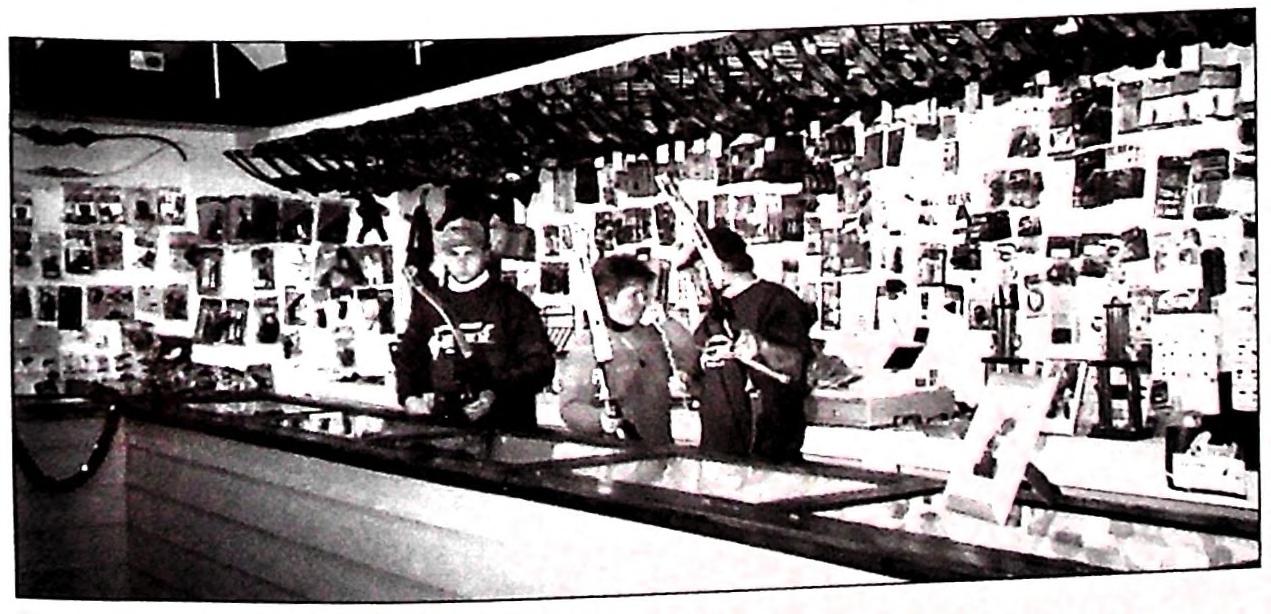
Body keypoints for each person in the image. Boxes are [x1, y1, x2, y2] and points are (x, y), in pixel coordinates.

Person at [394, 213, 556, 431]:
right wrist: (410, 397)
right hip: (443, 429)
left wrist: (495, 393)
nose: (461, 261)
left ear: (485, 254)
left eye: (469, 253)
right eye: (453, 254)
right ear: (443, 257)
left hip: (507, 426)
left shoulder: (512, 303)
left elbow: (540, 364)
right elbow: (408, 357)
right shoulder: (430, 304)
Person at [689, 226, 816, 463]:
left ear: (719, 266)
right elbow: (698, 375)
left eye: (699, 271)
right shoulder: (715, 315)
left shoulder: (777, 301)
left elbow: (796, 366)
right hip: (718, 453)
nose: (697, 281)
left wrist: (761, 347)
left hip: (768, 453)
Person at [559, 255, 698, 446]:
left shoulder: (652, 337)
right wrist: (599, 420)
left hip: (659, 446)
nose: (642, 302)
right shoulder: (590, 345)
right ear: (608, 297)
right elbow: (570, 407)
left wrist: (666, 321)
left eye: (644, 295)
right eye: (634, 295)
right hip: (614, 451)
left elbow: (689, 356)